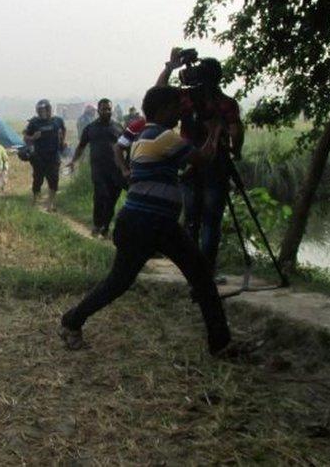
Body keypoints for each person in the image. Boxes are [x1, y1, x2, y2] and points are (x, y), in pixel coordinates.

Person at [58, 85, 232, 356]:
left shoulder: (143, 137)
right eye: (176, 107)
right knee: (201, 277)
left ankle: (72, 321)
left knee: (118, 283)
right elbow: (204, 158)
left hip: (139, 222)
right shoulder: (164, 138)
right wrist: (215, 131)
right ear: (163, 110)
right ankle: (221, 345)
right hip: (152, 222)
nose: (180, 113)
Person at [159, 48, 244, 277]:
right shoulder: (226, 103)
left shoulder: (186, 99)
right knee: (210, 221)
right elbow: (236, 131)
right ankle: (206, 270)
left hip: (188, 163)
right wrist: (236, 151)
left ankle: (190, 269)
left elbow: (158, 92)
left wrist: (170, 68)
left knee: (191, 220)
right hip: (216, 166)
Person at [66, 98, 124, 237]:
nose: (106, 111)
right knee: (101, 196)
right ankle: (97, 225)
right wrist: (73, 161)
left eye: (109, 109)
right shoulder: (90, 128)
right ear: (98, 111)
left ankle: (106, 228)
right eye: (103, 109)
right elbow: (81, 146)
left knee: (111, 200)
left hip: (115, 170)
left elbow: (125, 147)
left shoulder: (118, 127)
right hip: (98, 170)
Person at [23, 99, 66, 211]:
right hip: (39, 156)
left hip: (54, 155)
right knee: (38, 179)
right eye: (40, 110)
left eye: (44, 110)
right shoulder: (34, 122)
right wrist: (33, 137)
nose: (42, 112)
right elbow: (26, 137)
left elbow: (63, 130)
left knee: (54, 179)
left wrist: (62, 141)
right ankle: (35, 200)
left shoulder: (57, 121)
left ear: (49, 109)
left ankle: (50, 204)